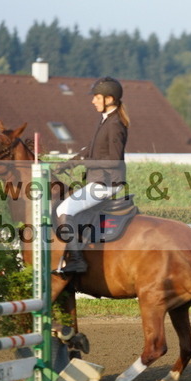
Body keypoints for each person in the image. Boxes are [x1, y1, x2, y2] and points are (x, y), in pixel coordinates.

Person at [54, 76, 129, 274]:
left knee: (64, 210)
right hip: (99, 181)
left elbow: (114, 160)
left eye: (97, 97)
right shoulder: (106, 120)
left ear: (109, 99)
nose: (93, 101)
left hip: (106, 183)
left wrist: (85, 163)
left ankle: (77, 260)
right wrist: (68, 163)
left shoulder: (115, 124)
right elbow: (91, 149)